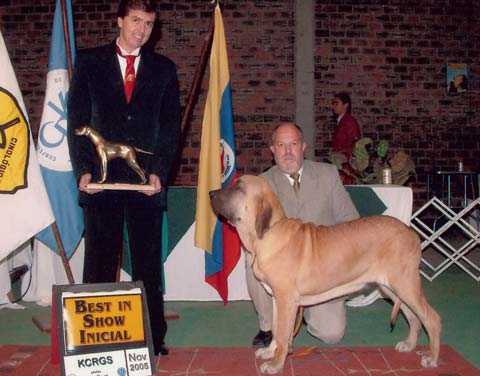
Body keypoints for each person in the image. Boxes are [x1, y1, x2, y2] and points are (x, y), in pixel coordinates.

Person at [67, 0, 181, 356]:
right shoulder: (89, 62)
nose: (141, 30)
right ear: (119, 21)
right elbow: (77, 122)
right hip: (100, 180)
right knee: (100, 260)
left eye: (148, 23)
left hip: (144, 181)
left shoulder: (164, 69)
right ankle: (90, 341)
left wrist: (159, 171)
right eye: (135, 21)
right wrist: (84, 168)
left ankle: (153, 337)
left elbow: (169, 128)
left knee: (148, 261)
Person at [246, 122, 359, 348]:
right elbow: (257, 233)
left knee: (331, 334)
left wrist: (337, 259)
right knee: (252, 255)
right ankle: (268, 326)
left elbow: (351, 222)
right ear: (273, 150)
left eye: (293, 144)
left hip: (322, 269)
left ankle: (304, 311)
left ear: (304, 147)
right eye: (281, 145)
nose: (288, 151)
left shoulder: (328, 175)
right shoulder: (263, 183)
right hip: (282, 269)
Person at [331, 92, 361, 160]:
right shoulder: (341, 121)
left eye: (336, 103)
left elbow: (354, 145)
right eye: (333, 104)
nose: (333, 106)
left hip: (345, 163)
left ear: (345, 105)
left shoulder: (349, 122)